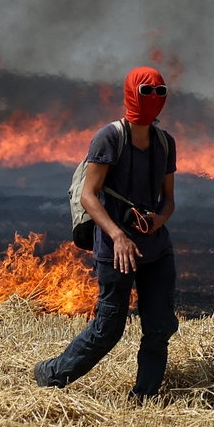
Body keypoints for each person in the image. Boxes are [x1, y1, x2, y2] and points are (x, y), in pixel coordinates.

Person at [33, 66, 180, 399]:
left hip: (156, 250)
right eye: (146, 92)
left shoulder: (165, 143)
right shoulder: (110, 137)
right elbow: (89, 194)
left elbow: (169, 199)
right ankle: (52, 375)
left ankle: (144, 399)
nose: (154, 99)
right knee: (108, 329)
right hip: (116, 251)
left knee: (159, 328)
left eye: (160, 92)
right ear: (131, 94)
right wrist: (118, 235)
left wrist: (158, 220)